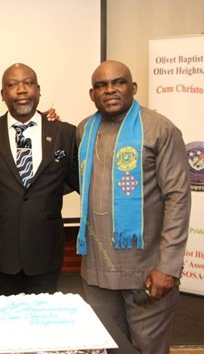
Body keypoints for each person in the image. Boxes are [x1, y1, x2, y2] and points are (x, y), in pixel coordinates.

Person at [76, 60, 191, 354]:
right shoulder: (84, 131)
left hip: (147, 268)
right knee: (105, 345)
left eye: (119, 82)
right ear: (92, 94)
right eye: (101, 85)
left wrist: (168, 266)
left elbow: (178, 198)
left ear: (133, 88)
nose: (110, 90)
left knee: (148, 348)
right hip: (98, 270)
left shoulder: (160, 129)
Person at [0, 63, 79, 296]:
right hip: (0, 256)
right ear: (2, 94)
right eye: (12, 85)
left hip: (45, 253)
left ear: (38, 90)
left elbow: (77, 181)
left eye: (28, 83)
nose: (21, 90)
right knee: (3, 324)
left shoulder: (64, 133)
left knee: (42, 325)